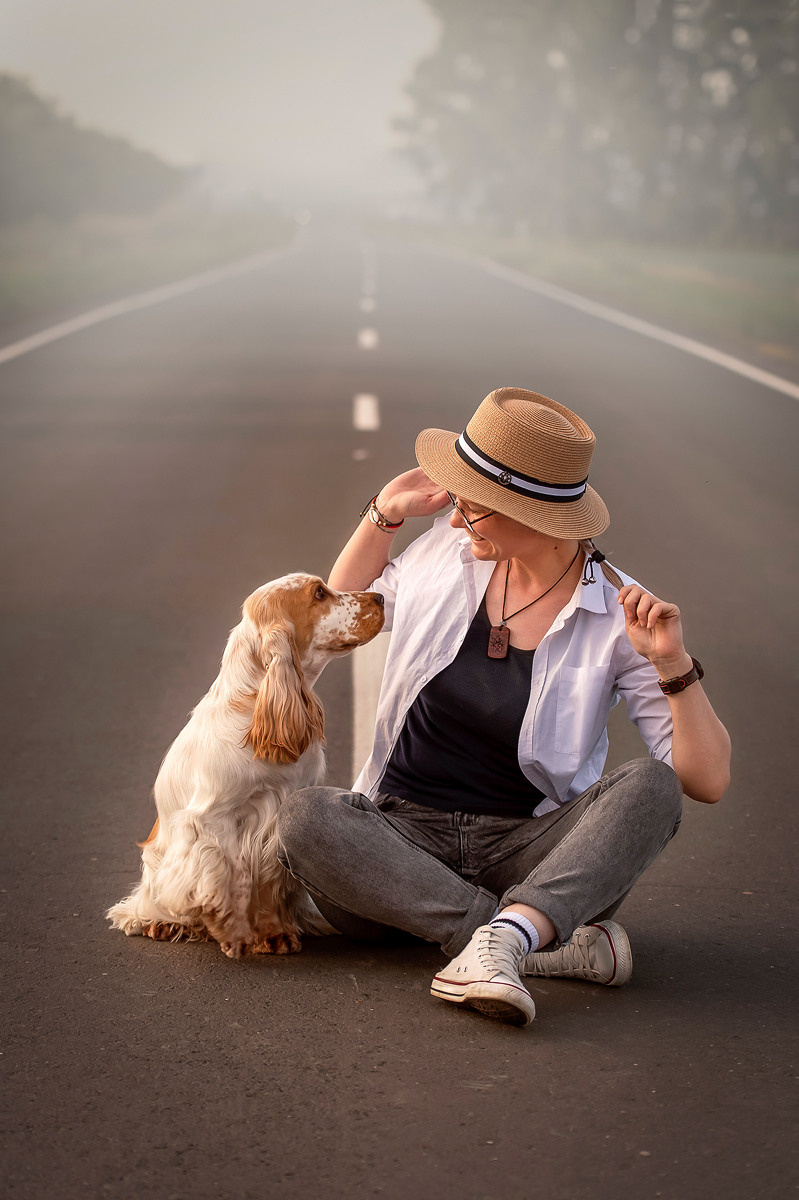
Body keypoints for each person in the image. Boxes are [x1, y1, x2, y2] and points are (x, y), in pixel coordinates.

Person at [276, 387, 731, 1027]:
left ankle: (498, 934)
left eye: (473, 505)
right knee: (301, 817)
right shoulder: (444, 551)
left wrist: (673, 667)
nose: (456, 518)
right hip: (397, 845)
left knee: (650, 786)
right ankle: (521, 940)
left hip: (528, 849)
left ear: (536, 514)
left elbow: (703, 781)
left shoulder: (620, 613)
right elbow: (341, 614)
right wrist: (381, 514)